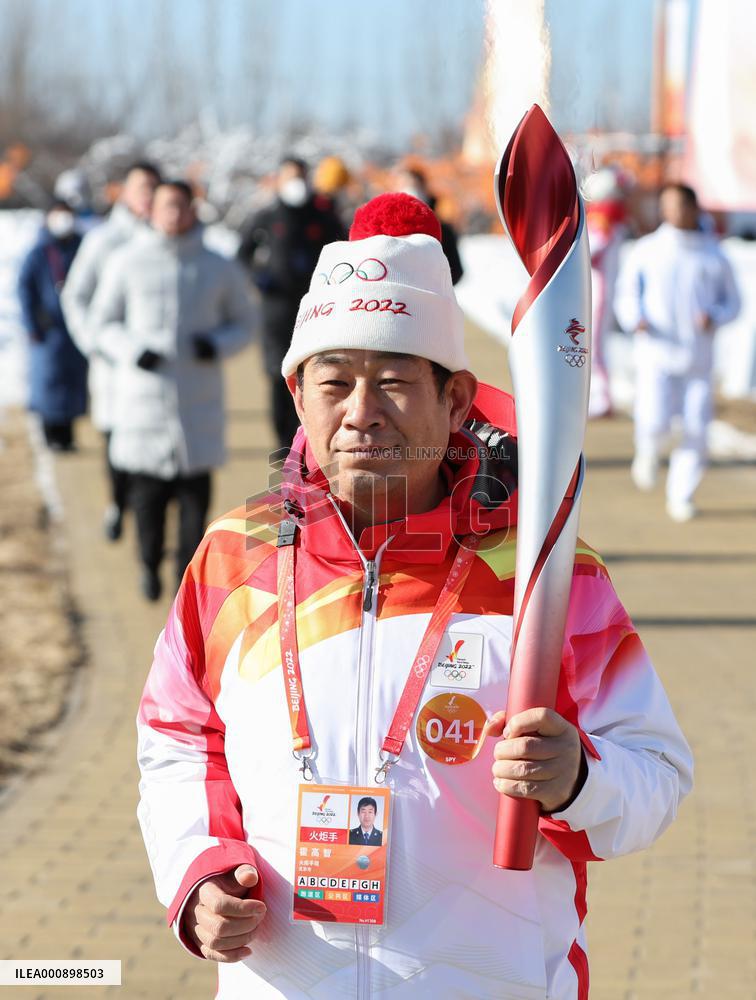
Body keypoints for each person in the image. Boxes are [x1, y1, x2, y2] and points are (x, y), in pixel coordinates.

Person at [137, 194, 692, 999]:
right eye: (335, 383)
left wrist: (581, 779)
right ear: (299, 396)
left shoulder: (543, 571)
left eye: (395, 382)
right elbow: (178, 739)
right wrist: (197, 870)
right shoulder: (237, 556)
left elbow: (658, 769)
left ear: (457, 400)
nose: (362, 414)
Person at [88, 180, 256, 601]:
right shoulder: (127, 261)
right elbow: (102, 321)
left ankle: (184, 587)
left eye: (182, 205)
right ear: (151, 210)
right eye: (166, 205)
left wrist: (216, 344)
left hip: (197, 410)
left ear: (192, 210)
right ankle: (147, 566)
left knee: (194, 514)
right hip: (143, 406)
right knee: (147, 508)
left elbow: (245, 322)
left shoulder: (217, 266)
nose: (174, 214)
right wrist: (131, 350)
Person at [615, 182, 741, 521]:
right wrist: (634, 318)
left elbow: (734, 302)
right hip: (656, 352)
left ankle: (681, 494)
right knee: (655, 419)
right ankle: (648, 451)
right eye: (667, 205)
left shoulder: (714, 254)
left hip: (698, 358)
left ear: (693, 208)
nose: (672, 212)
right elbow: (626, 294)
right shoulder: (648, 250)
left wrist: (714, 316)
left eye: (679, 205)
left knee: (696, 429)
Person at [62, 161, 161, 539]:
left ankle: (144, 520)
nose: (148, 196)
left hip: (156, 369)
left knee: (149, 446)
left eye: (154, 187)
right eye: (141, 187)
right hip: (113, 364)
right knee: (115, 441)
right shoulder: (103, 240)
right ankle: (117, 502)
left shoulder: (166, 237)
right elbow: (76, 296)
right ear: (123, 191)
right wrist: (95, 342)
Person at [237, 156, 345, 451]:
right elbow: (242, 253)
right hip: (276, 309)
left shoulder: (323, 215)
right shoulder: (267, 216)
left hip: (317, 310)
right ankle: (282, 444)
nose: (295, 182)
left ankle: (310, 442)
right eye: (289, 176)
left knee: (314, 373)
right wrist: (259, 278)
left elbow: (345, 248)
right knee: (277, 375)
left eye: (300, 175)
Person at [17, 199, 87, 451]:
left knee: (73, 381)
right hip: (48, 329)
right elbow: (25, 289)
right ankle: (50, 435)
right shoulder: (38, 252)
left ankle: (67, 436)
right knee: (49, 381)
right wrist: (33, 323)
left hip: (75, 330)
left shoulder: (82, 247)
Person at [583, 167, 628, 418]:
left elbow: (594, 248)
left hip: (600, 287)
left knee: (595, 345)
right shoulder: (611, 211)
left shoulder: (607, 211)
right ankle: (601, 396)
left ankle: (602, 397)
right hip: (600, 285)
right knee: (593, 344)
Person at [396, 164, 464, 285]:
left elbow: (456, 270)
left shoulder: (443, 230)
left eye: (414, 185)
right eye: (404, 185)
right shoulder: (387, 230)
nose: (410, 191)